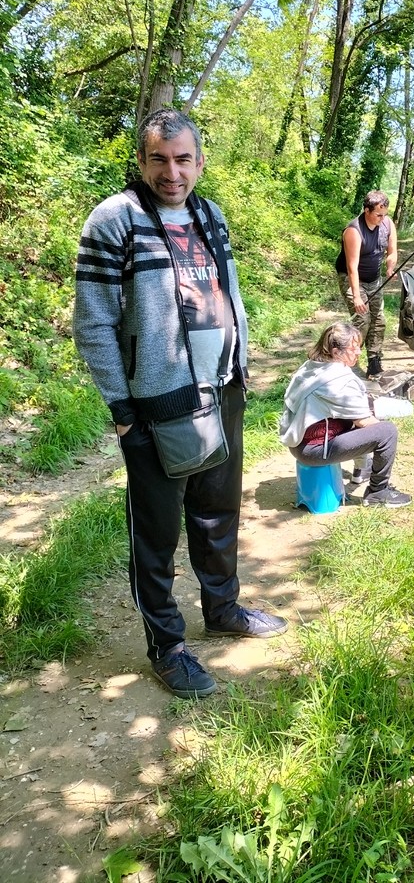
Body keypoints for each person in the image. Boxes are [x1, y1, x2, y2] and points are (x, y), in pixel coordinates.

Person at [73, 108, 287, 700]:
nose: (172, 172)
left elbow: (229, 293)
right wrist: (122, 410)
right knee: (158, 532)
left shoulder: (209, 214)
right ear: (141, 162)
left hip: (221, 393)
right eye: (160, 159)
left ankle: (222, 609)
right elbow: (93, 323)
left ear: (200, 160)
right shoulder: (115, 220)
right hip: (155, 403)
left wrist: (242, 366)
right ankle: (167, 646)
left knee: (218, 512)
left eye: (183, 158)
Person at [279, 322, 412, 508]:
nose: (358, 352)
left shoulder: (311, 366)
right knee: (387, 431)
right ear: (336, 352)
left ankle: (362, 470)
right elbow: (364, 422)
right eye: (353, 348)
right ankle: (378, 492)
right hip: (314, 450)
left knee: (366, 413)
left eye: (359, 346)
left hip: (299, 443)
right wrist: (382, 438)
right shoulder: (339, 379)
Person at [335, 191, 398, 379]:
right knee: (362, 319)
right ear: (366, 210)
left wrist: (389, 268)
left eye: (384, 214)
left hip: (374, 278)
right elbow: (351, 267)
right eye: (378, 214)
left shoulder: (387, 224)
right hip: (352, 278)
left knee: (379, 320)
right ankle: (347, 362)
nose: (382, 218)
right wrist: (355, 296)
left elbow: (392, 251)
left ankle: (374, 361)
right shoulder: (354, 231)